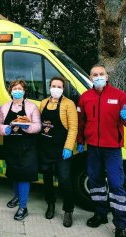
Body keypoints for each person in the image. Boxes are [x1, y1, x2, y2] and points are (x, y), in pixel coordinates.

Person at [77, 64, 126, 237]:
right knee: (95, 182)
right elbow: (81, 121)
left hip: (113, 149)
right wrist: (80, 141)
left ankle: (120, 224)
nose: (98, 76)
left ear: (107, 77)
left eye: (101, 74)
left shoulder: (120, 96)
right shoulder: (85, 97)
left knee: (116, 185)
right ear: (90, 78)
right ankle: (100, 214)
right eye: (95, 75)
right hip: (93, 148)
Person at [0, 79, 41, 220]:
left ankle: (23, 207)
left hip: (27, 147)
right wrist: (6, 129)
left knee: (23, 176)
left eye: (20, 89)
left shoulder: (32, 107)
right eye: (14, 89)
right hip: (11, 146)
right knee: (14, 174)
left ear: (24, 91)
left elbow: (38, 126)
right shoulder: (4, 107)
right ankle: (16, 196)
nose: (17, 91)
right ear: (10, 91)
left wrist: (27, 127)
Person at [38, 76, 78, 227]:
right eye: (53, 86)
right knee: (47, 179)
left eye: (59, 86)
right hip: (45, 149)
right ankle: (50, 204)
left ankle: (68, 210)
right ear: (49, 87)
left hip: (62, 151)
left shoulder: (69, 104)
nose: (56, 88)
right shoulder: (43, 103)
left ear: (63, 88)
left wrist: (68, 147)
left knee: (65, 180)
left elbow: (73, 128)